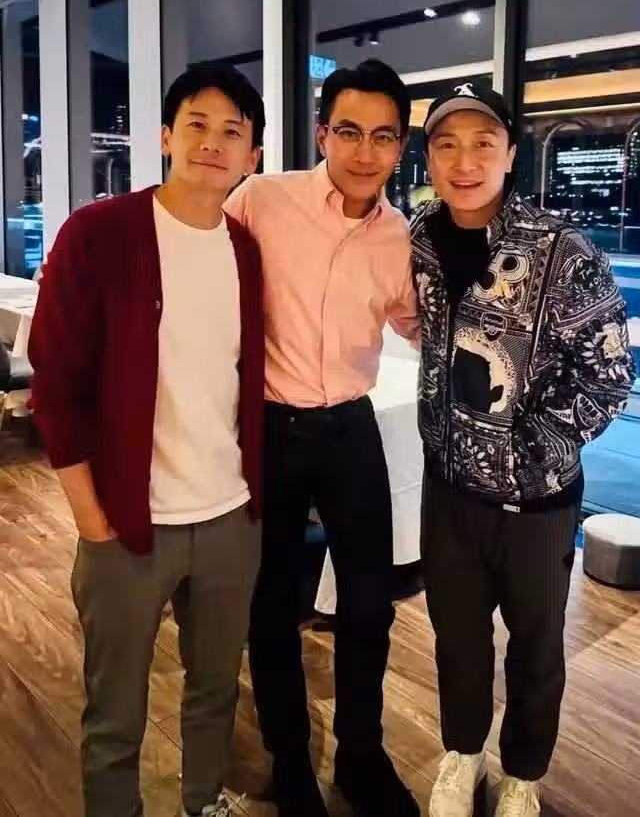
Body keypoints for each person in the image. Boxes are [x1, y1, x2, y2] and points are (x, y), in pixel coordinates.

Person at [28, 62, 266, 817]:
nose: (213, 142)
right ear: (166, 136)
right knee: (115, 706)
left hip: (229, 516)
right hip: (128, 524)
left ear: (253, 156)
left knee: (215, 686)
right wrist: (90, 518)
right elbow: (54, 384)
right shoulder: (99, 234)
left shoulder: (244, 249)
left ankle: (204, 800)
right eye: (197, 124)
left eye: (232, 131)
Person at [411, 83, 636, 817]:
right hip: (448, 490)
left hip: (536, 502)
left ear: (511, 153)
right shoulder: (418, 237)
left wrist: (529, 451)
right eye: (447, 145)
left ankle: (523, 774)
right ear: (429, 158)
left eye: (483, 144)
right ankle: (463, 754)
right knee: (457, 640)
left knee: (536, 647)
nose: (465, 161)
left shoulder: (562, 249)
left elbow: (608, 375)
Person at [224, 59, 420, 817]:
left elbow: (420, 324)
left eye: (383, 136)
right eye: (349, 131)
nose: (365, 152)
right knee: (273, 602)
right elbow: (203, 266)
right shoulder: (262, 199)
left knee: (370, 601)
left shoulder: (399, 236)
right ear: (321, 134)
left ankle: (361, 756)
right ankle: (290, 762)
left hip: (350, 427)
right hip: (271, 427)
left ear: (399, 145)